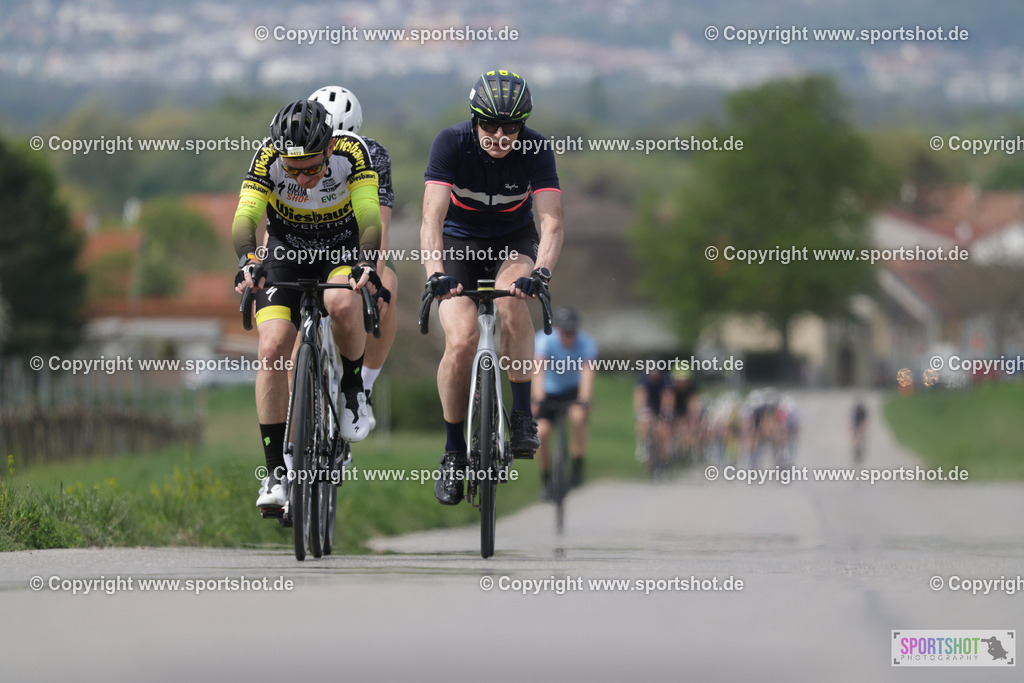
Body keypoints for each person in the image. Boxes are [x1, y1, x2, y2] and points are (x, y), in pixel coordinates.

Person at [232, 99, 385, 512]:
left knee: (340, 303)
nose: (303, 178)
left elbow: (370, 215)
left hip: (340, 250)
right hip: (286, 253)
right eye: (293, 170)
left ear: (330, 148)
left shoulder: (354, 154)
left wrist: (367, 262)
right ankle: (275, 473)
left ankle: (353, 391)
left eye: (313, 168)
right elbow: (245, 217)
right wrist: (249, 259)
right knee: (271, 347)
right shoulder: (267, 157)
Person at [420, 69, 563, 505]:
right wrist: (433, 273)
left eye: (511, 127)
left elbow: (552, 221)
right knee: (462, 341)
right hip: (460, 243)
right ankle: (452, 453)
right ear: (474, 119)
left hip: (512, 243)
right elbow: (432, 218)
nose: (500, 136)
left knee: (513, 304)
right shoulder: (451, 142)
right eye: (490, 125)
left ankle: (521, 414)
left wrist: (540, 273)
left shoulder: (536, 149)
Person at [309, 85, 397, 429]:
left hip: (352, 245)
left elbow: (381, 223)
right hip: (304, 247)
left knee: (387, 283)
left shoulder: (372, 155)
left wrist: (372, 274)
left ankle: (363, 388)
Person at [533, 306, 597, 497]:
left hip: (573, 391)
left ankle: (577, 467)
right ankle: (546, 480)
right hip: (549, 391)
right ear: (557, 328)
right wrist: (538, 398)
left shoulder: (587, 342)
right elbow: (538, 369)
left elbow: (588, 371)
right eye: (564, 330)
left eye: (572, 330)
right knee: (541, 432)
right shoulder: (544, 340)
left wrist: (584, 398)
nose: (568, 334)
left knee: (578, 418)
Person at [851, 398, 868, 464]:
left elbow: (865, 421)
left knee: (858, 439)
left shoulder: (860, 411)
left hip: (859, 424)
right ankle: (856, 451)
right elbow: (852, 420)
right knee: (857, 439)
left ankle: (857, 451)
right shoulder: (859, 410)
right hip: (857, 425)